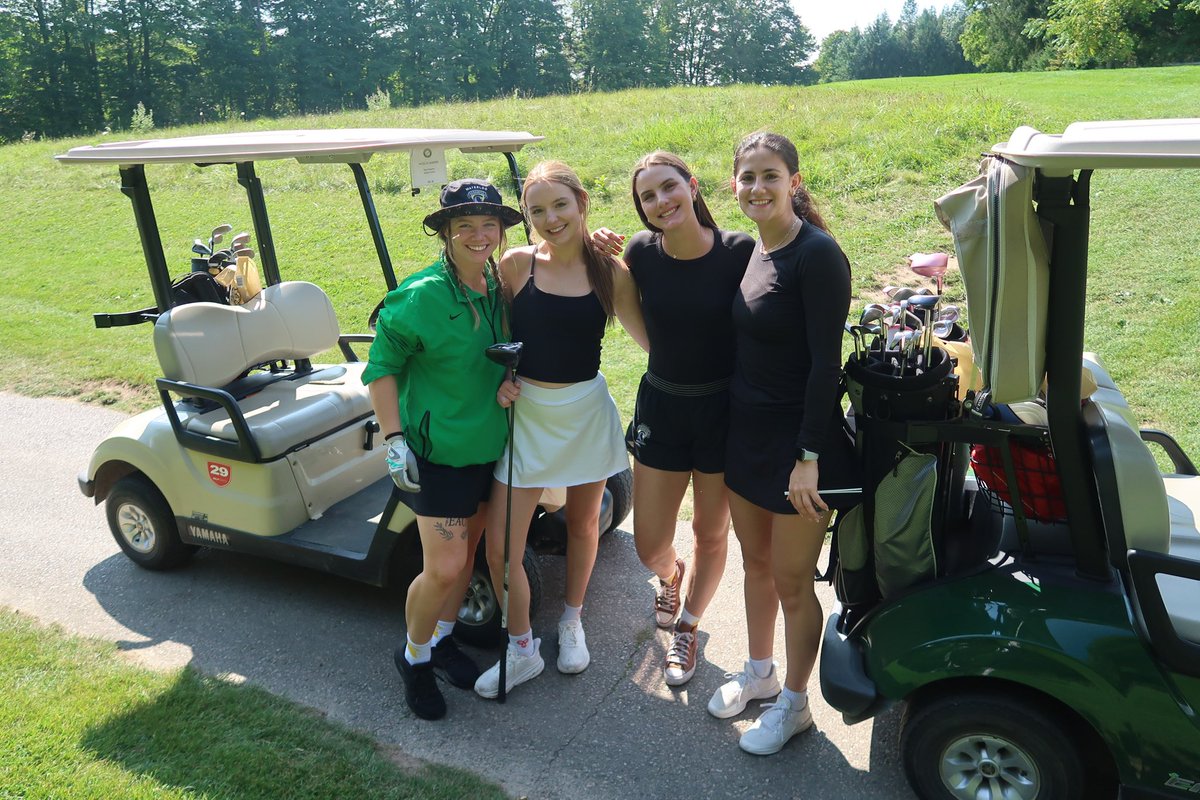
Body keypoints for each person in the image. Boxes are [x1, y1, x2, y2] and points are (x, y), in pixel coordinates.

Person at [473, 160, 648, 699]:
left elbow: (652, 342)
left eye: (560, 206)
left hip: (585, 413)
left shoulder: (610, 272)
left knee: (584, 524)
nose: (551, 219)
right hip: (527, 416)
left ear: (582, 203)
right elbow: (488, 338)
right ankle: (521, 647)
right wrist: (500, 380)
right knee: (501, 548)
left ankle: (572, 620)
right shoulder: (515, 266)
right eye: (538, 210)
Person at [709, 133, 856, 755]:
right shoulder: (753, 249)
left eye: (770, 175)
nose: (757, 187)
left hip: (800, 450)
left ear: (793, 181)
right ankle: (760, 673)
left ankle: (795, 705)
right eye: (747, 177)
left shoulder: (816, 255)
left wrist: (808, 458)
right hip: (747, 439)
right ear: (733, 185)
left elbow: (827, 367)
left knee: (794, 582)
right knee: (757, 565)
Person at [364, 179, 523, 720]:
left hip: (488, 446)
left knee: (466, 557)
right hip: (437, 454)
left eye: (488, 225)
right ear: (446, 233)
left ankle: (442, 638)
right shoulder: (421, 295)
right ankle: (413, 657)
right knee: (446, 566)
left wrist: (504, 387)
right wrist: (393, 441)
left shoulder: (498, 285)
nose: (479, 236)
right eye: (465, 226)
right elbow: (381, 370)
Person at [617, 152, 755, 687]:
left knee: (710, 531)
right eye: (647, 196)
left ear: (692, 186)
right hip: (663, 406)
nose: (661, 201)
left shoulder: (739, 251)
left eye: (668, 187)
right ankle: (672, 575)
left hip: (722, 410)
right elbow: (621, 300)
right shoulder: (639, 252)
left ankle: (688, 627)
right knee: (650, 542)